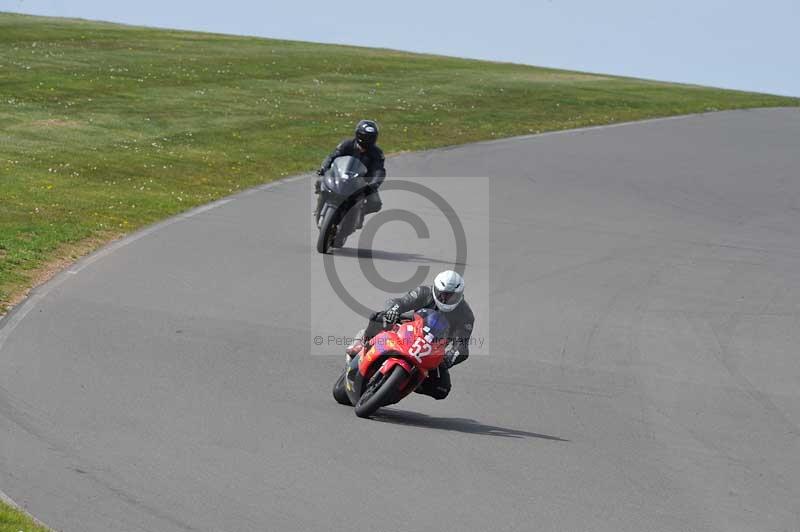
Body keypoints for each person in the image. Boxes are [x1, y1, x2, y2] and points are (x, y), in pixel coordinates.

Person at [346, 270, 475, 400]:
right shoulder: (424, 292)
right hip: (408, 331)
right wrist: (392, 311)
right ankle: (362, 344)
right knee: (379, 318)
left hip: (431, 349)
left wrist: (449, 359)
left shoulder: (465, 315)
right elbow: (400, 302)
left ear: (460, 295)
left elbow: (461, 347)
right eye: (442, 294)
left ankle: (406, 384)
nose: (445, 299)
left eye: (451, 296)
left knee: (442, 389)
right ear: (435, 289)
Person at [314, 119, 386, 224]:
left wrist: (374, 184)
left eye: (370, 137)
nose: (367, 139)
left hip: (363, 183)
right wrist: (324, 168)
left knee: (376, 203)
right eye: (365, 136)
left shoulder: (377, 153)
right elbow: (332, 156)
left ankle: (359, 213)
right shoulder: (347, 144)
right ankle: (319, 207)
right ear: (358, 134)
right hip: (340, 175)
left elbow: (379, 170)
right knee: (320, 181)